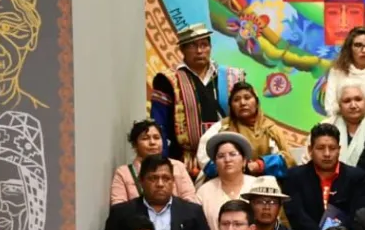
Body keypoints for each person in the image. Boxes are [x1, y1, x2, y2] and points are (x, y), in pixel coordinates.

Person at [150, 23, 245, 176]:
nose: (200, 51)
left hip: (228, 158)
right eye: (193, 46)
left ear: (210, 47)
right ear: (182, 50)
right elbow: (160, 125)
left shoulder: (231, 77)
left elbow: (246, 117)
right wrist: (164, 162)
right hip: (186, 162)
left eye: (204, 45)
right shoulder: (168, 80)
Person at [282, 123, 365, 230]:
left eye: (332, 148)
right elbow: (297, 215)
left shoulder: (357, 177)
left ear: (339, 150)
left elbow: (357, 215)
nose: (327, 154)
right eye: (321, 148)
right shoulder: (294, 176)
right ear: (310, 150)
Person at [197, 81, 296, 179]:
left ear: (257, 102)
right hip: (226, 182)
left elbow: (287, 160)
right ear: (231, 106)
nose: (243, 103)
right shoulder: (222, 128)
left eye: (247, 98)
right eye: (236, 100)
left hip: (265, 185)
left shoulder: (270, 129)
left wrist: (260, 165)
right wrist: (234, 167)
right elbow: (204, 160)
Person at [111, 119, 198, 205]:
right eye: (145, 138)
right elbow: (118, 208)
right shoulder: (124, 173)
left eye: (156, 138)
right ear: (135, 145)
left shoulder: (177, 166)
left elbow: (190, 200)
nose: (152, 142)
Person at [195, 132, 260, 230]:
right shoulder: (204, 192)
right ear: (215, 163)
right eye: (221, 156)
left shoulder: (258, 186)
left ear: (244, 161)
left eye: (233, 154)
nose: (227, 160)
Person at [325, 81, 365, 166]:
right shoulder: (325, 127)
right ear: (339, 105)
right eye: (347, 101)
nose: (353, 105)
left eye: (358, 99)